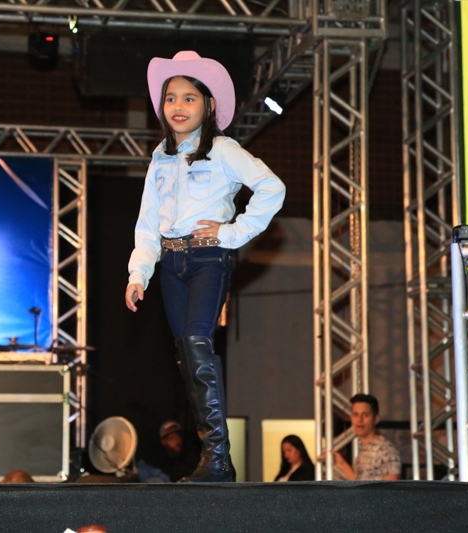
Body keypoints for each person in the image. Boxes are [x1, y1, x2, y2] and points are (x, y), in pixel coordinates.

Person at [125, 51, 286, 483]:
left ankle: (216, 458)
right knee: (188, 355)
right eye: (170, 98)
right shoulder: (159, 158)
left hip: (207, 258)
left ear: (209, 105)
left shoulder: (224, 150)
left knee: (197, 344)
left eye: (189, 98)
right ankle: (216, 459)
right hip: (170, 262)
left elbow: (272, 188)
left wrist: (231, 233)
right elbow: (147, 225)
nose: (178, 106)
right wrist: (139, 273)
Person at [322, 394, 401, 481]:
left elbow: (391, 487)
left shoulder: (385, 449)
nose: (359, 420)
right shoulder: (363, 448)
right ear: (351, 418)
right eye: (355, 414)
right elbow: (359, 482)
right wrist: (341, 464)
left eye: (365, 415)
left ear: (376, 419)